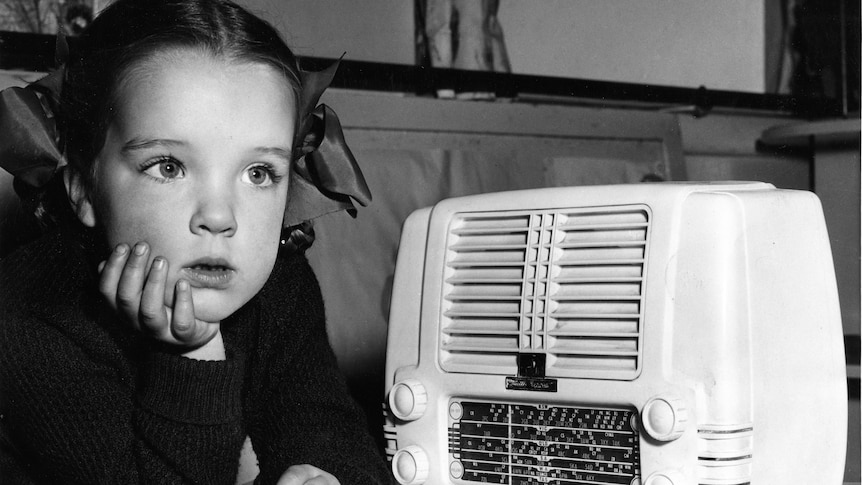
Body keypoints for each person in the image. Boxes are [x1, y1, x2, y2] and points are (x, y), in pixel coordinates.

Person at [0, 0, 394, 483]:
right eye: (169, 167)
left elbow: (324, 423)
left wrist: (323, 472)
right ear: (83, 189)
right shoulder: (31, 317)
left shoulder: (278, 286)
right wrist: (191, 357)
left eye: (258, 172)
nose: (219, 217)